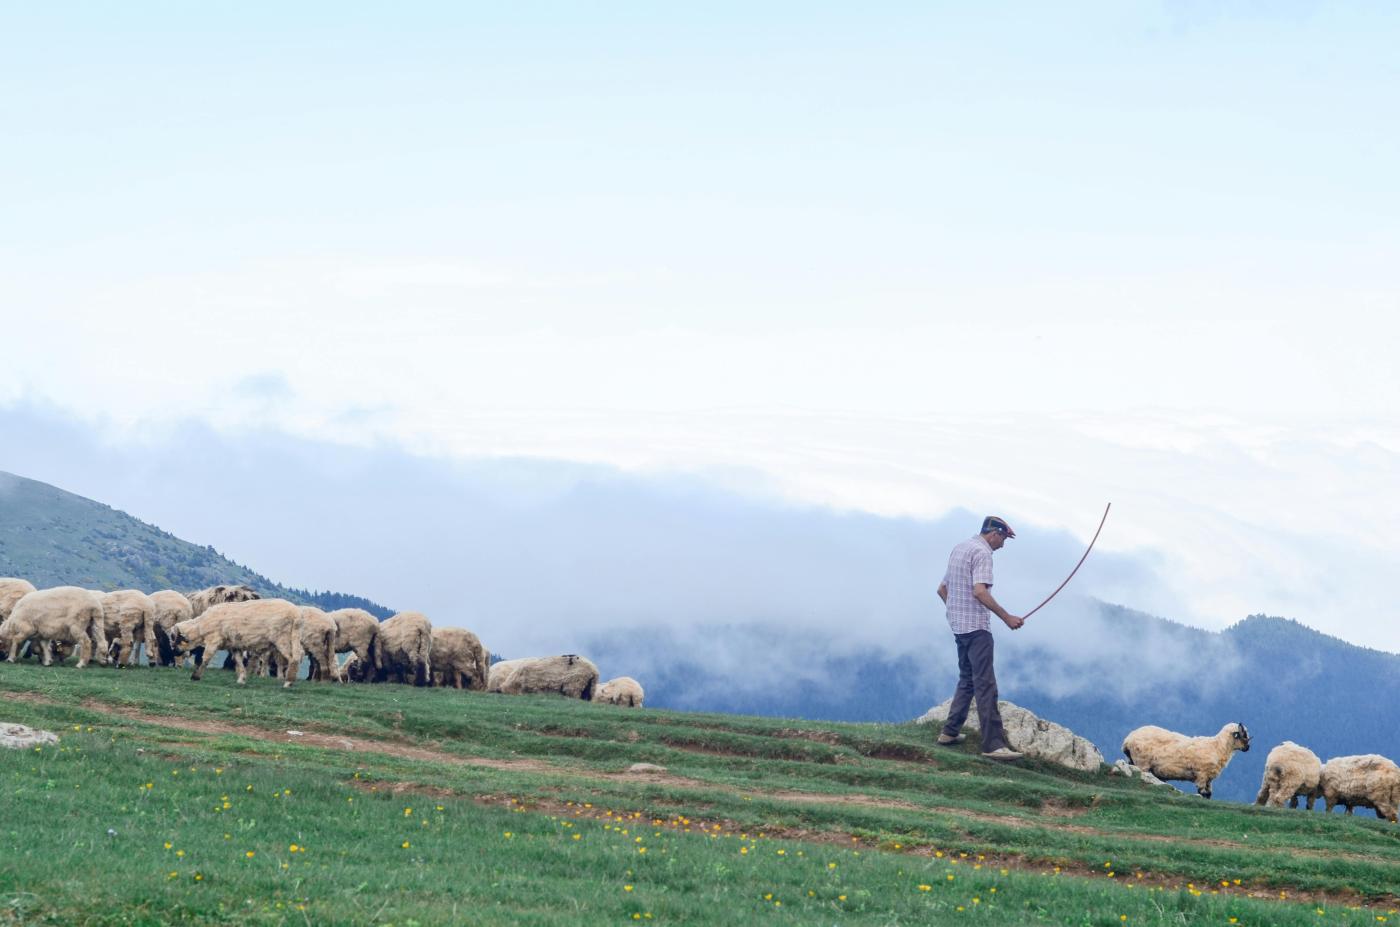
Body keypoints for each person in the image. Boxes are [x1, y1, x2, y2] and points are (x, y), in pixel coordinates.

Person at [936, 515, 1024, 761]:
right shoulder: (983, 553)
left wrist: (955, 612)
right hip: (977, 629)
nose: (1003, 545)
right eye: (1004, 539)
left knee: (967, 679)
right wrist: (1007, 618)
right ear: (994, 534)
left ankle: (949, 732)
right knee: (985, 685)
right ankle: (993, 745)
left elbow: (942, 589)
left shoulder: (961, 548)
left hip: (958, 627)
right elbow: (979, 591)